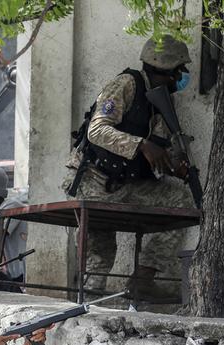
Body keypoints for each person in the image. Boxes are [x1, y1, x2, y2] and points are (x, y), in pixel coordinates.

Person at [61, 35, 197, 301]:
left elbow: (159, 151)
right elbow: (97, 131)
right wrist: (142, 145)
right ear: (166, 70)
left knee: (180, 200)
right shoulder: (126, 85)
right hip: (94, 181)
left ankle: (143, 277)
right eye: (179, 70)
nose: (181, 77)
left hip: (128, 184)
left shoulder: (162, 102)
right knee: (100, 253)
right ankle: (85, 307)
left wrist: (173, 166)